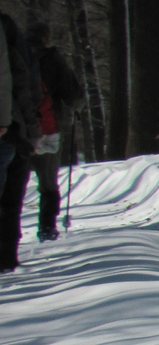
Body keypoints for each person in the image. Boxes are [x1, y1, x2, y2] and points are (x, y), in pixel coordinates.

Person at [24, 22, 83, 241]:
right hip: (47, 129)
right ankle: (47, 227)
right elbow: (74, 95)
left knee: (12, 182)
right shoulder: (54, 60)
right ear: (46, 39)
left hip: (15, 130)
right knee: (47, 182)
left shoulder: (12, 57)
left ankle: (8, 232)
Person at [1, 9, 43, 272]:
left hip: (9, 127)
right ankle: (7, 257)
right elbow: (28, 85)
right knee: (12, 198)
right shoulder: (11, 32)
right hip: (16, 129)